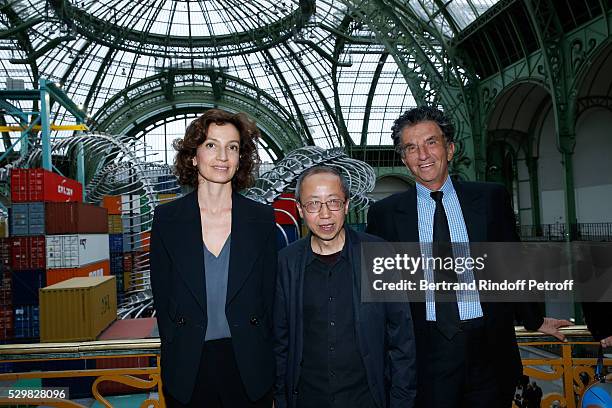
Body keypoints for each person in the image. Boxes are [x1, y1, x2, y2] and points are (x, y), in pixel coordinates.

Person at [366, 106, 572, 407]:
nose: (423, 155)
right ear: (404, 159)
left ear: (450, 149)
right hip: (425, 355)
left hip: (487, 351)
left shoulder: (490, 198)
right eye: (412, 148)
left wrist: (533, 319)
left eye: (431, 142)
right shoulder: (384, 215)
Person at [150, 109, 277, 407]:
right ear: (193, 156)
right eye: (211, 145)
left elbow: (270, 298)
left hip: (249, 366)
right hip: (189, 367)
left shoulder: (260, 219)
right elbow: (163, 296)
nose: (222, 155)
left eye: (232, 147)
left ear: (240, 158)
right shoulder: (167, 219)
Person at [274, 166, 417, 408]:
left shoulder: (378, 255)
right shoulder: (286, 262)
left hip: (367, 399)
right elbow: (280, 342)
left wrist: (401, 402)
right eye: (313, 204)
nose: (325, 214)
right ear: (299, 210)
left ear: (347, 205)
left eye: (333, 202)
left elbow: (402, 340)